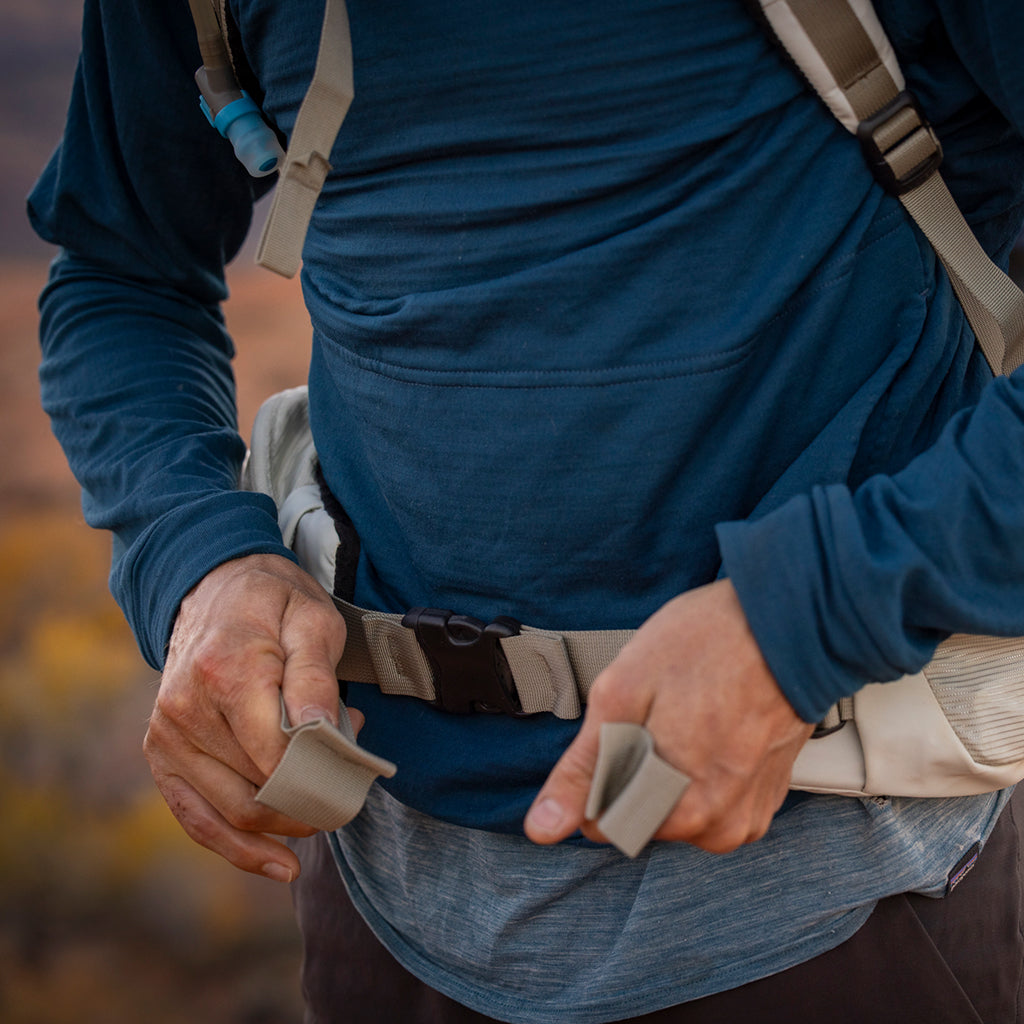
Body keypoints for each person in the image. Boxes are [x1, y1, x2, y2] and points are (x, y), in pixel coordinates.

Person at [28, 0, 1024, 1020]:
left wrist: (809, 619)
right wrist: (198, 561)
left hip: (846, 899)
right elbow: (120, 271)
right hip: (379, 902)